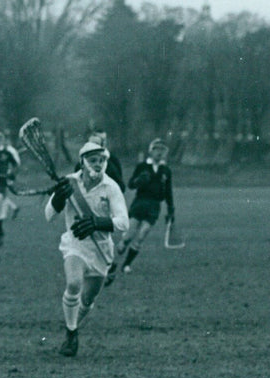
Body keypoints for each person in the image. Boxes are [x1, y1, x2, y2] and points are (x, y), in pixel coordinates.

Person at [44, 141, 129, 357]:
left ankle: (71, 329)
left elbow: (123, 223)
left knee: (87, 300)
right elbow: (48, 215)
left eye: (102, 160)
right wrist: (59, 199)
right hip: (76, 244)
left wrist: (98, 223)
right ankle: (72, 334)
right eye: (93, 160)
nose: (98, 164)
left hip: (101, 249)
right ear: (82, 162)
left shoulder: (111, 187)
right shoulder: (69, 183)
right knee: (73, 284)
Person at [105, 138, 175, 286]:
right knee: (128, 235)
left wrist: (171, 211)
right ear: (151, 150)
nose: (159, 152)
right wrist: (138, 181)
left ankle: (126, 265)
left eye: (162, 150)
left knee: (142, 235)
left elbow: (168, 192)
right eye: (156, 149)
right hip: (140, 203)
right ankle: (116, 259)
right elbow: (130, 184)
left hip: (154, 206)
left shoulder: (166, 170)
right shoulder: (142, 166)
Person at [75, 129, 125, 195]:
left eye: (96, 144)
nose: (92, 147)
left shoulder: (110, 165)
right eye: (90, 144)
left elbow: (120, 187)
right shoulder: (80, 165)